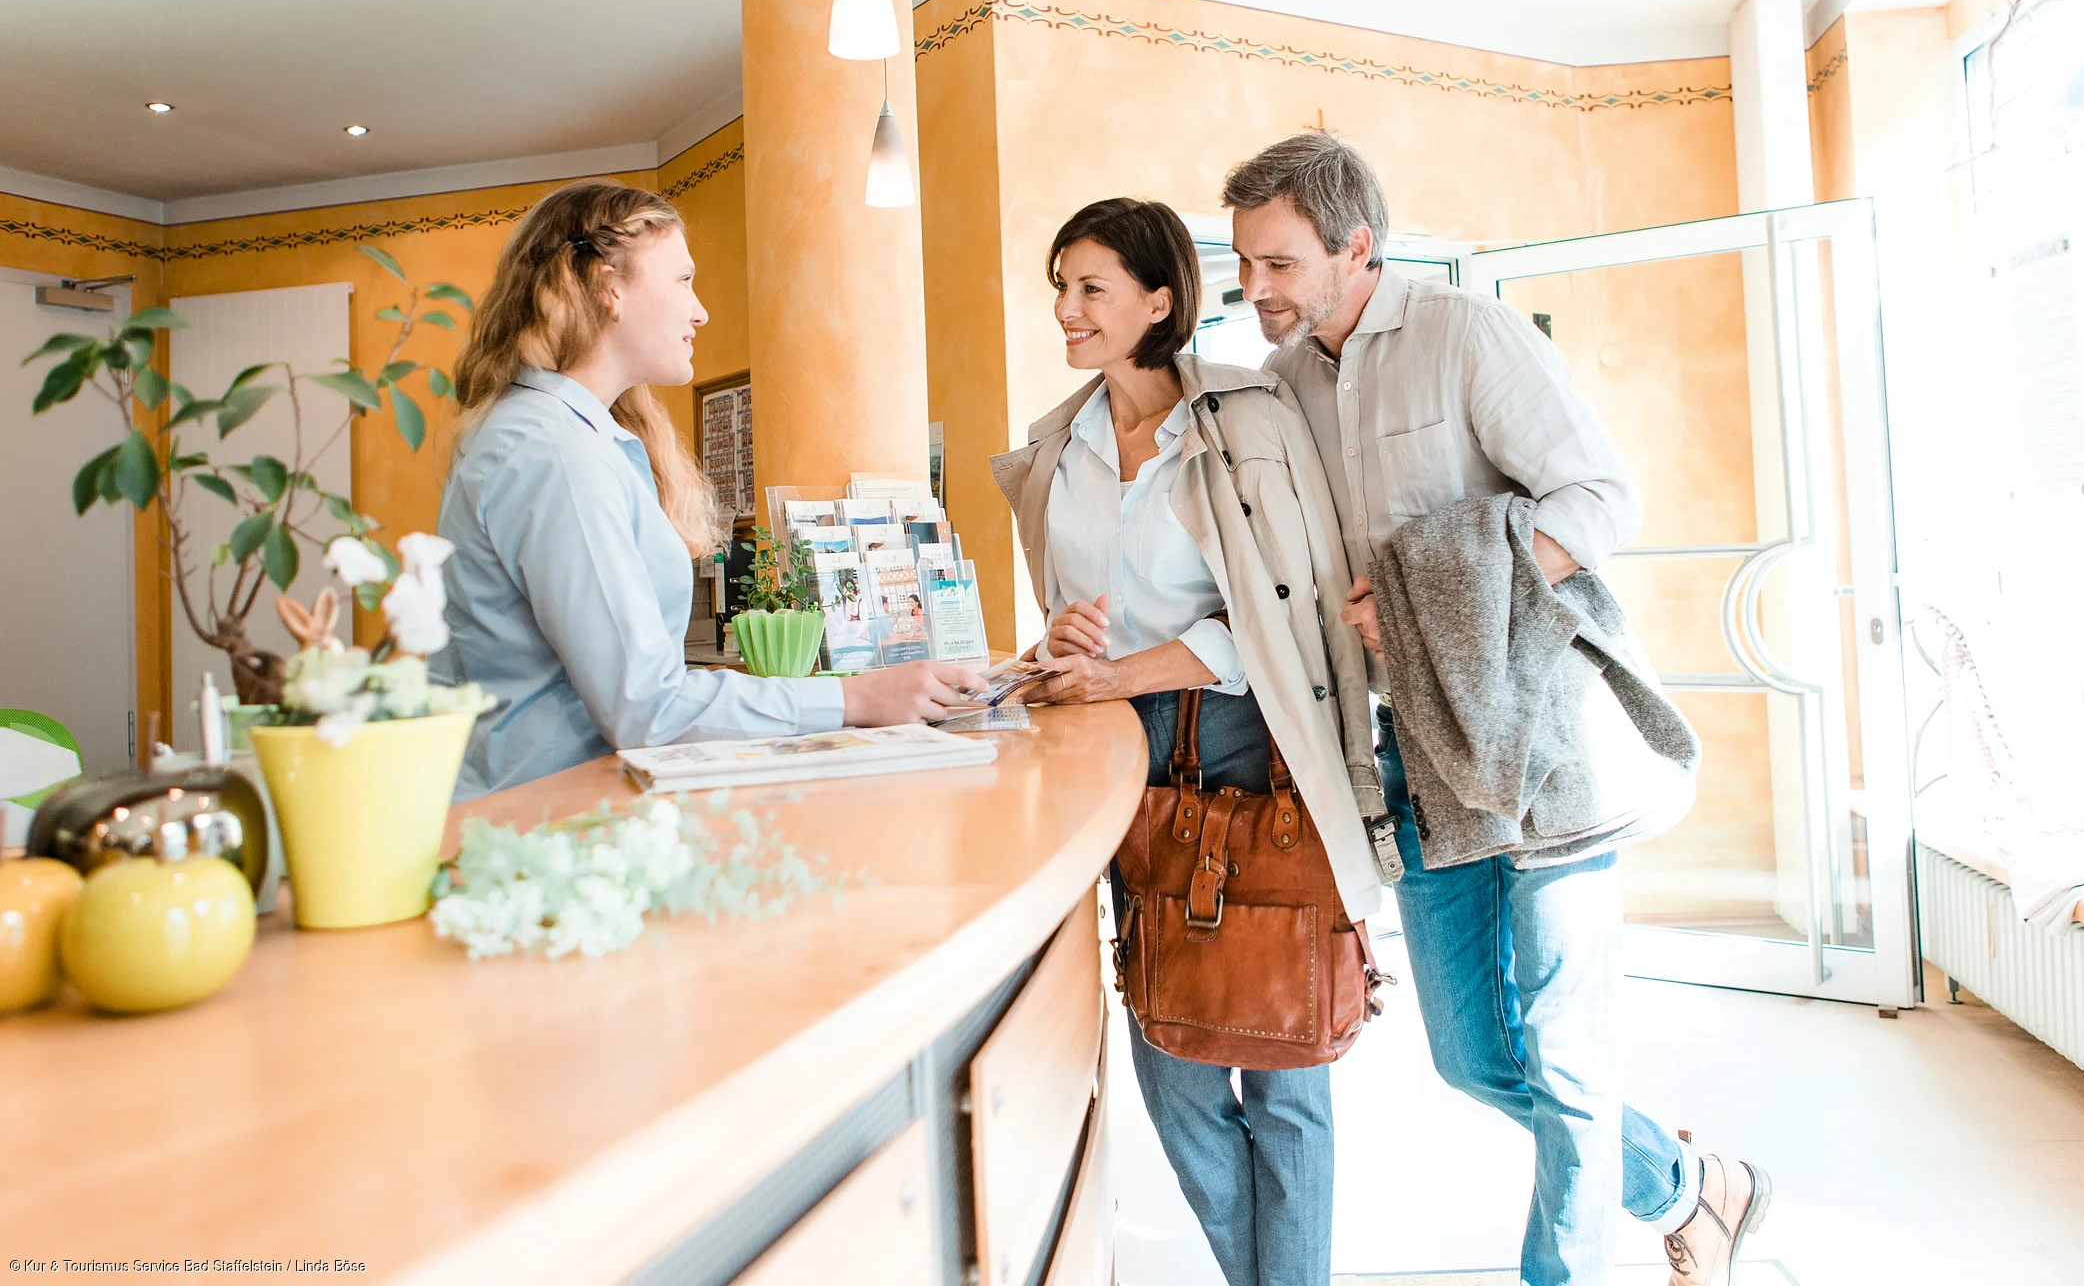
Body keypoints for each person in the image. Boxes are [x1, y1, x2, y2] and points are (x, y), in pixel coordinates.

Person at [1227, 134, 1772, 1286]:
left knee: (1569, 1062)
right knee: (1473, 1058)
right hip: (1415, 754)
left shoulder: (1465, 333)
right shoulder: (1278, 390)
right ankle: (1691, 1189)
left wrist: (1426, 592)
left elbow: (1601, 501)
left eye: (1276, 263)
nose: (1254, 289)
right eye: (1244, 264)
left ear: (1355, 247)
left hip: (1547, 739)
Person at [990, 197, 1385, 1286]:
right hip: (1118, 751)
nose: (1065, 311)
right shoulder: (1058, 444)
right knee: (1170, 1043)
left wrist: (1126, 670)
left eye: (1090, 289)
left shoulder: (1248, 420)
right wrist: (1068, 642)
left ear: (1160, 300)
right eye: (1059, 287)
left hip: (1250, 745)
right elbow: (1083, 609)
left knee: (1282, 1048)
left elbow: (1280, 613)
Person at [434, 179, 985, 796]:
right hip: (539, 822)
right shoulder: (553, 453)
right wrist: (855, 697)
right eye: (682, 280)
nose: (700, 312)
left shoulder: (574, 440)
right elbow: (648, 709)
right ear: (609, 288)